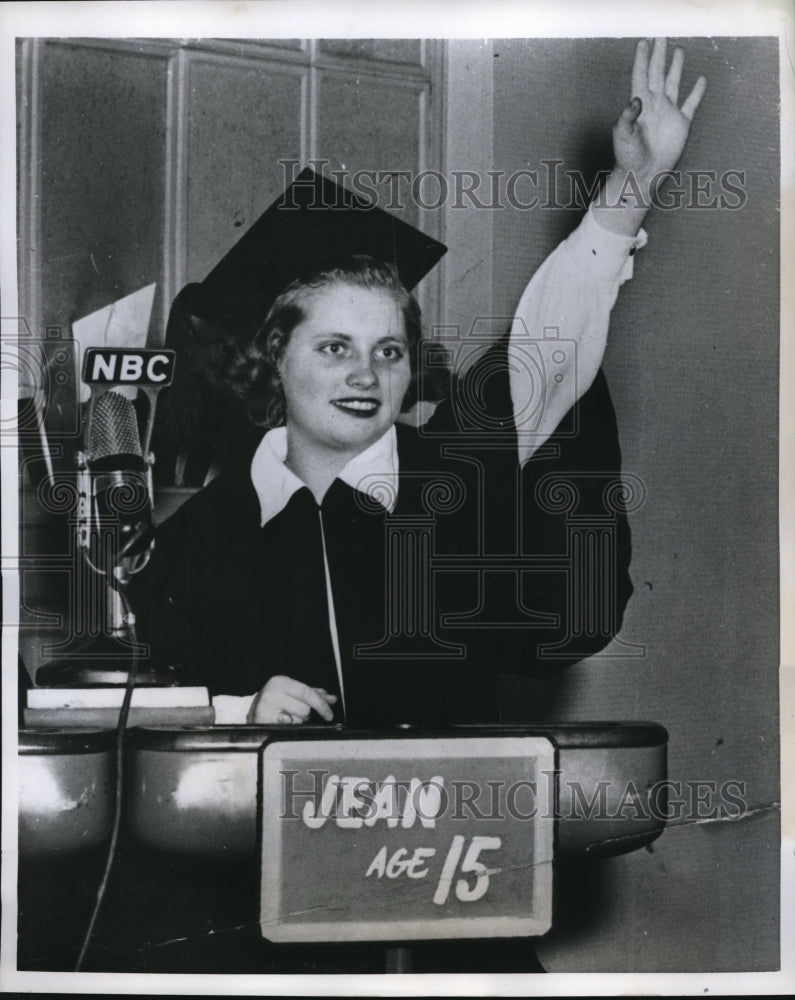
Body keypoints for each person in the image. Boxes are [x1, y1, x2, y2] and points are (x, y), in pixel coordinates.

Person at [132, 38, 706, 728]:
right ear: (273, 359)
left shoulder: (452, 474)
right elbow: (145, 713)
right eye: (334, 347)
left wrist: (631, 187)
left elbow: (548, 340)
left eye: (390, 350)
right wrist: (235, 712)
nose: (365, 374)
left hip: (454, 825)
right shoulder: (201, 535)